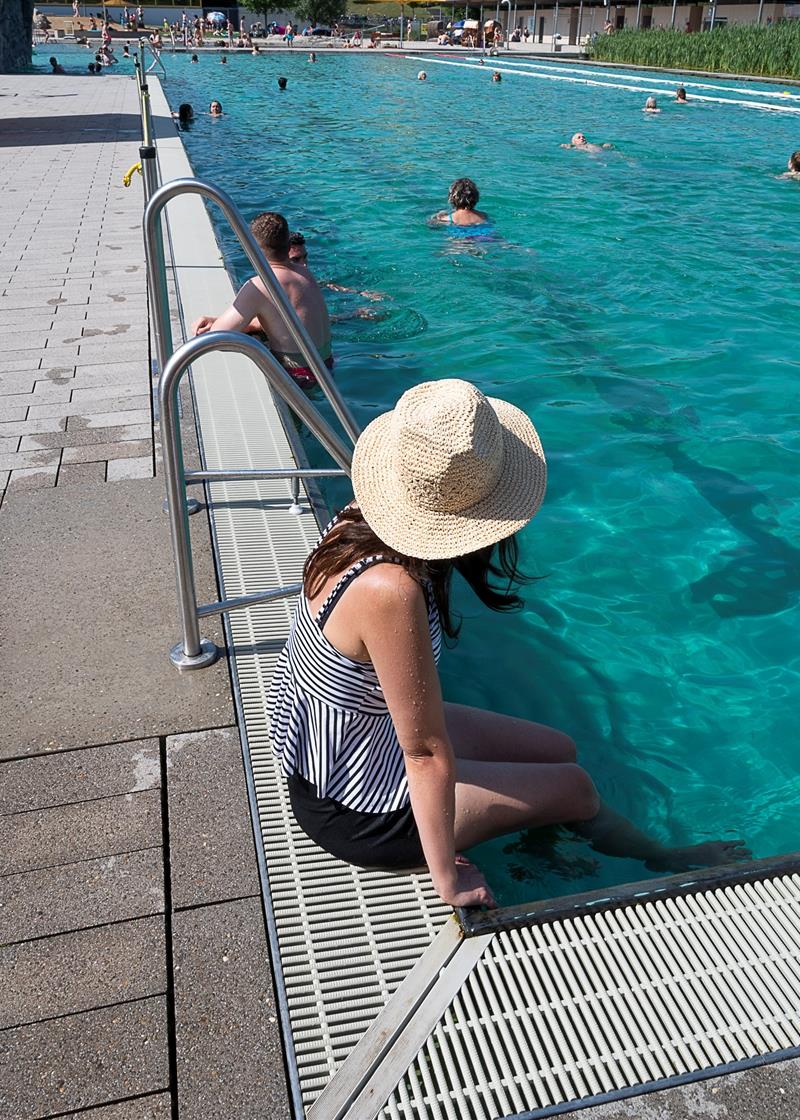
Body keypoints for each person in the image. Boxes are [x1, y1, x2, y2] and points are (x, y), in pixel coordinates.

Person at [268, 379, 749, 907]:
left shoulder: (359, 520)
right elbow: (424, 752)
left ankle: (539, 838)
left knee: (557, 749)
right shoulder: (391, 590)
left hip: (349, 743)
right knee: (578, 788)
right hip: (359, 808)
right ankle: (662, 858)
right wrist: (448, 881)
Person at [191, 212, 333, 388]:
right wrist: (217, 320)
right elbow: (284, 320)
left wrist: (216, 324)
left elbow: (218, 338)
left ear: (252, 250)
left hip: (298, 377)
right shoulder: (305, 273)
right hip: (327, 367)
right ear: (288, 244)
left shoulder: (260, 286)